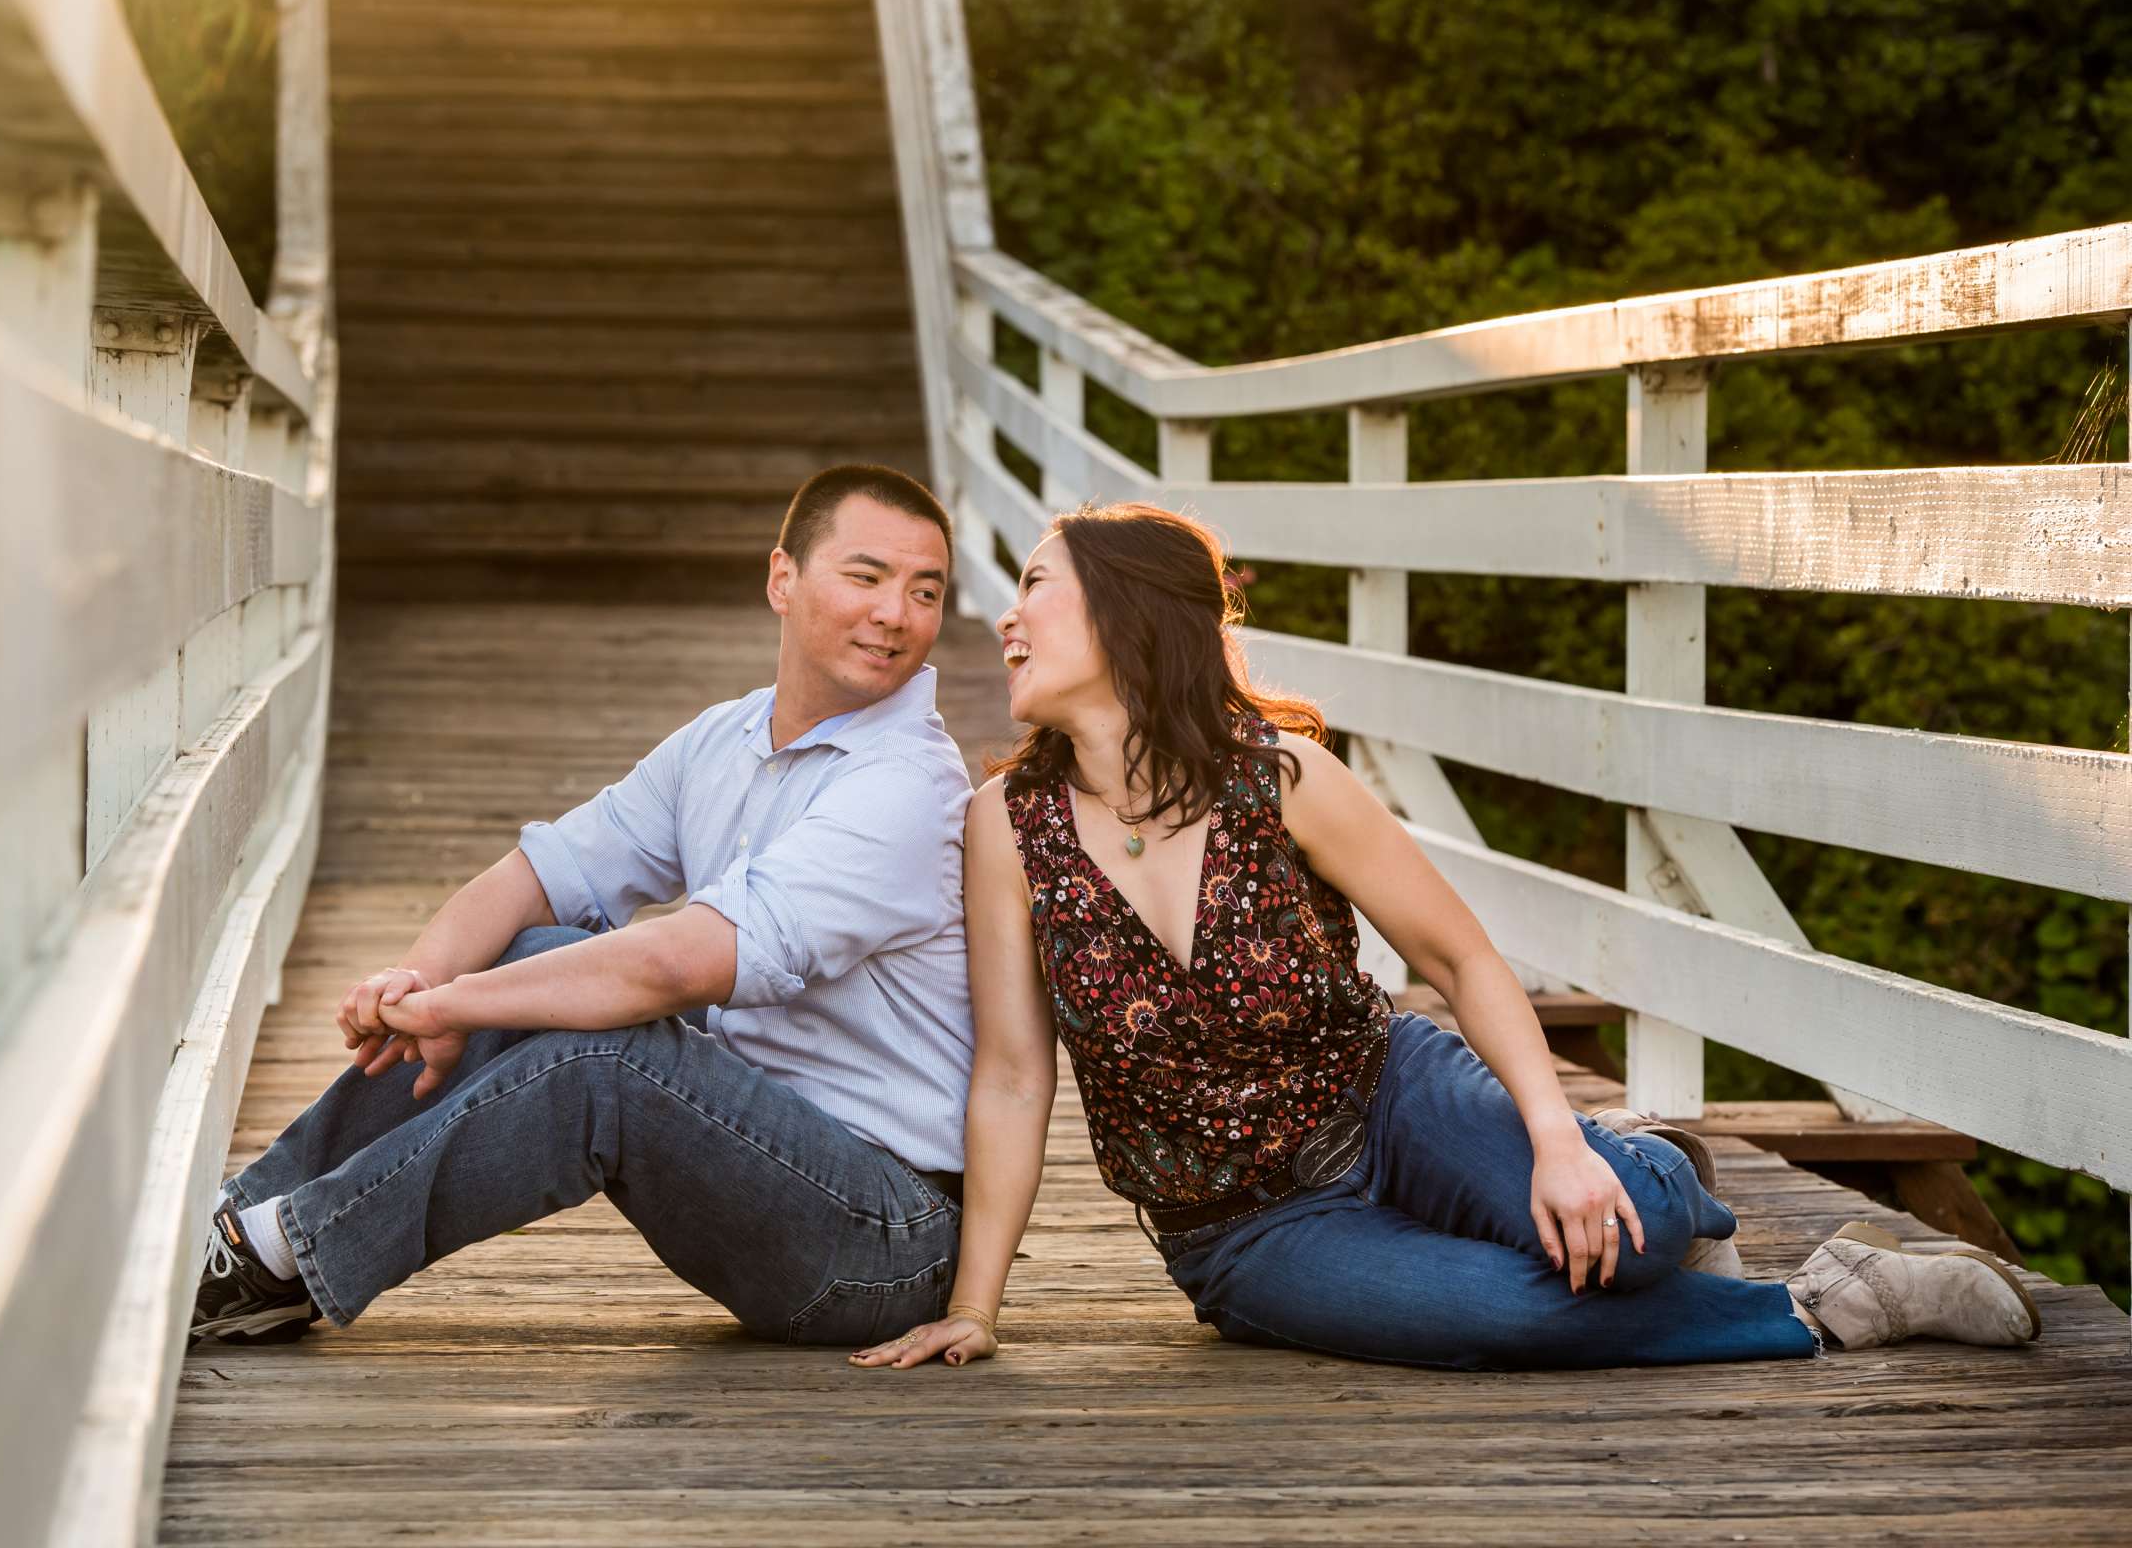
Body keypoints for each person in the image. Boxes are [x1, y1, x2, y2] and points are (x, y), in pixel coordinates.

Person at [851, 501, 2041, 1373]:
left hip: (1391, 1098)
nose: (1004, 617)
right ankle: (1835, 1301)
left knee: (1633, 1225)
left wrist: (1551, 1143)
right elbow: (1013, 1076)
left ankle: (1657, 1174)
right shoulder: (1007, 825)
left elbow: (1465, 959)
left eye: (1035, 583)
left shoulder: (1282, 778)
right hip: (1247, 1227)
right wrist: (979, 1305)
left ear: (1124, 608)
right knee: (1505, 1313)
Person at [190, 464, 976, 1348]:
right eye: (866, 577)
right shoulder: (727, 738)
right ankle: (238, 1218)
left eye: (925, 591)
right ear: (782, 580)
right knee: (534, 948)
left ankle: (278, 1260)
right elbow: (540, 875)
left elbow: (674, 966)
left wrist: (453, 1005)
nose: (896, 614)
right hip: (765, 1155)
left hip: (884, 1238)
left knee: (606, 1060)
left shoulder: (907, 786)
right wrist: (417, 978)